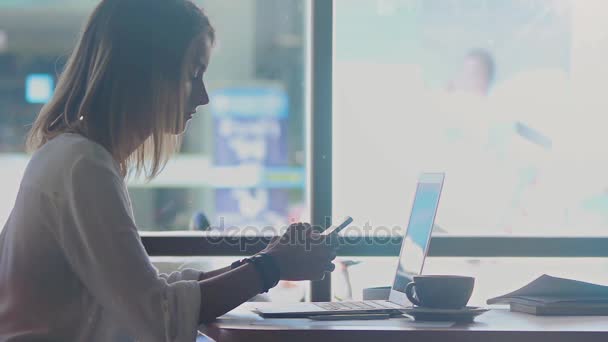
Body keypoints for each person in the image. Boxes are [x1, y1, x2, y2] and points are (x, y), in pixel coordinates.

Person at [0, 0, 337, 341]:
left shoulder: (72, 157)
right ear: (144, 73)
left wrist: (266, 261)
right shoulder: (83, 166)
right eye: (193, 75)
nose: (203, 97)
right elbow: (158, 318)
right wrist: (271, 266)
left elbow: (142, 294)